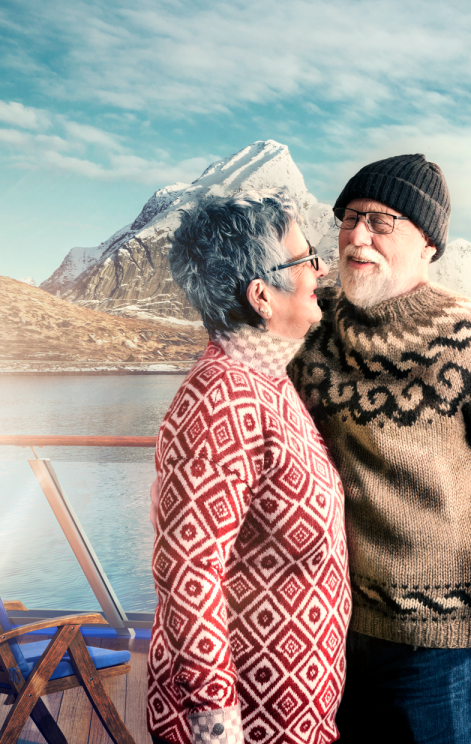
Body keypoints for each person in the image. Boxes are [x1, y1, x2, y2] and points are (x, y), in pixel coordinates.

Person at [288, 154, 471, 743]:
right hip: (332, 623)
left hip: (444, 646)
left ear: (429, 245)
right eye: (349, 218)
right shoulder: (314, 330)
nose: (358, 236)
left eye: (381, 222)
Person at [149, 191, 348, 744]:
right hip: (249, 724)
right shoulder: (223, 398)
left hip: (289, 713)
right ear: (261, 295)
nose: (321, 269)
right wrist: (216, 726)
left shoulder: (266, 381)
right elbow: (188, 572)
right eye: (306, 259)